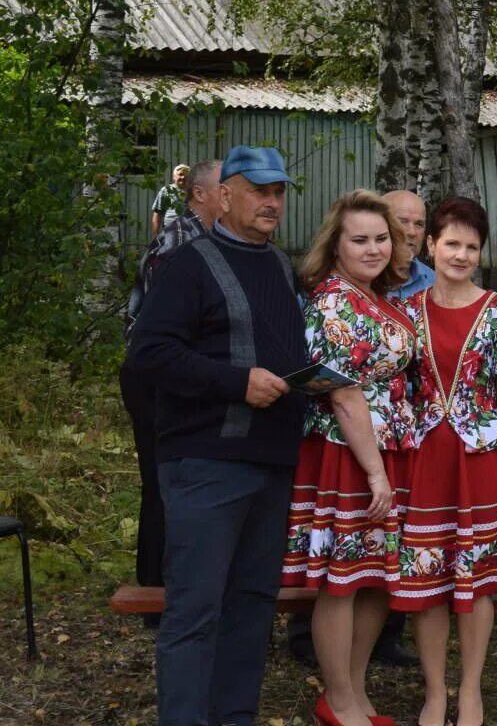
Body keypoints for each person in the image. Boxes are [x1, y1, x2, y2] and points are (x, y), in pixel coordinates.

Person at [127, 145, 309, 726]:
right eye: (259, 190)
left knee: (252, 607)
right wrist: (235, 383)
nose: (271, 202)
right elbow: (148, 356)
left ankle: (235, 718)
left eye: (278, 191)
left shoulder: (280, 265)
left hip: (272, 462)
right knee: (195, 610)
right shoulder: (188, 265)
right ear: (224, 195)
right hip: (206, 464)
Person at [280, 190, 421, 726]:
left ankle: (356, 692)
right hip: (349, 456)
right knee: (340, 580)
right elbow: (343, 395)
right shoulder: (334, 300)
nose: (373, 248)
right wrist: (374, 471)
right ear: (335, 244)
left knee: (375, 578)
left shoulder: (378, 297)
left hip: (387, 451)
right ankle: (336, 698)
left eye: (381, 238)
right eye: (359, 239)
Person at [392, 196, 497, 726]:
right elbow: (399, 393)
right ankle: (434, 691)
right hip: (425, 459)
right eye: (451, 243)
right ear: (431, 245)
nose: (461, 255)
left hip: (481, 459)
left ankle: (470, 690)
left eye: (471, 247)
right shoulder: (406, 312)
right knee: (428, 578)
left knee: (476, 582)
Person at [121, 157, 219, 603]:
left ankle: (180, 586)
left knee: (184, 479)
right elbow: (168, 321)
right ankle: (156, 595)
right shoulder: (181, 236)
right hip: (156, 375)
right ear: (199, 193)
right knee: (163, 479)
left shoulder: (219, 240)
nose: (236, 193)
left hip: (186, 374)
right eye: (226, 186)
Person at [385, 189, 436, 300]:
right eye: (402, 222)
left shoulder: (435, 284)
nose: (412, 232)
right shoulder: (360, 282)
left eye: (419, 224)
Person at [149, 162, 190, 237]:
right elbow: (157, 214)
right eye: (180, 174)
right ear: (174, 177)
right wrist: (155, 236)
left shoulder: (194, 192)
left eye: (186, 175)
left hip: (189, 233)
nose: (183, 177)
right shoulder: (166, 190)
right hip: (170, 233)